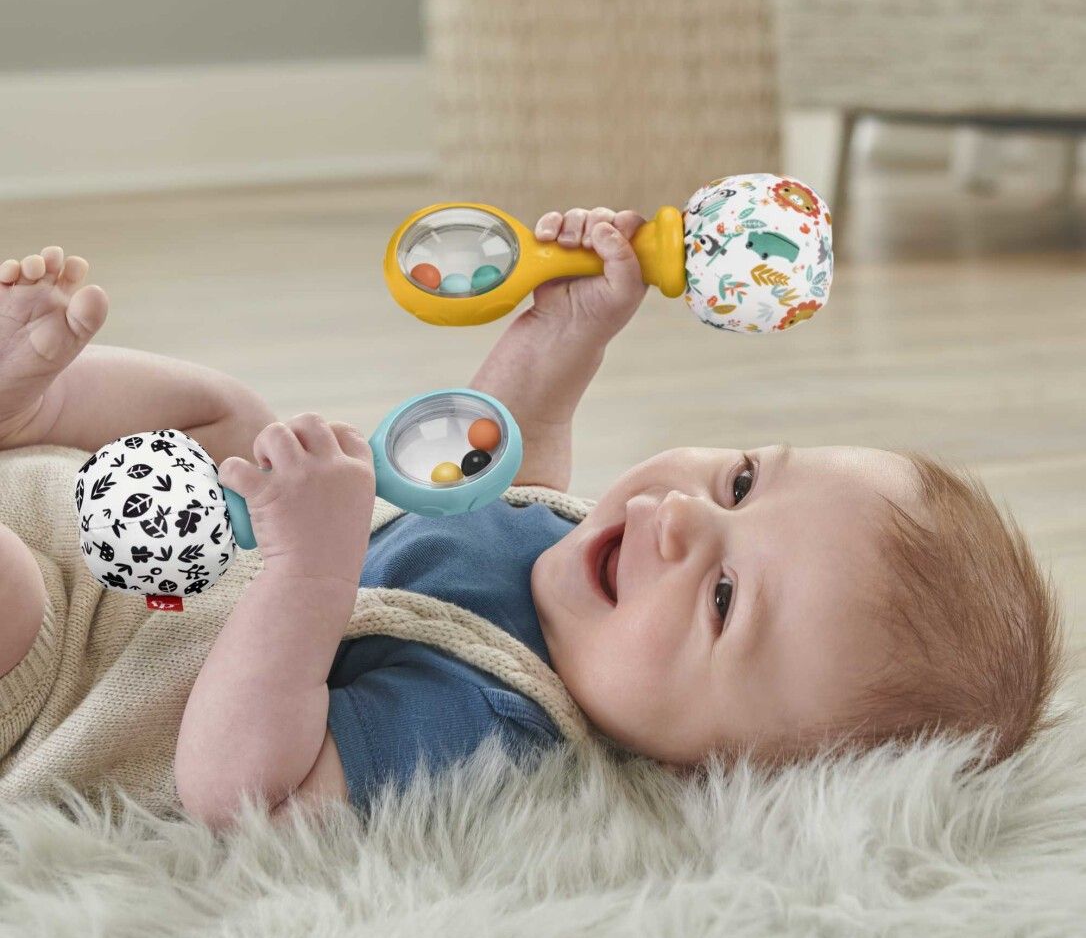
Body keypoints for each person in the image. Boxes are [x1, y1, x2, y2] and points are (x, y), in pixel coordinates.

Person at [0, 217, 1066, 828]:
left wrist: (308, 569)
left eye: (726, 600)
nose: (682, 520)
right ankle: (34, 405)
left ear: (718, 768)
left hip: (71, 672)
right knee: (233, 415)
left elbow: (239, 791)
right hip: (152, 543)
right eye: (741, 482)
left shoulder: (495, 732)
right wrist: (563, 343)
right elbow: (495, 466)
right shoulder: (579, 570)